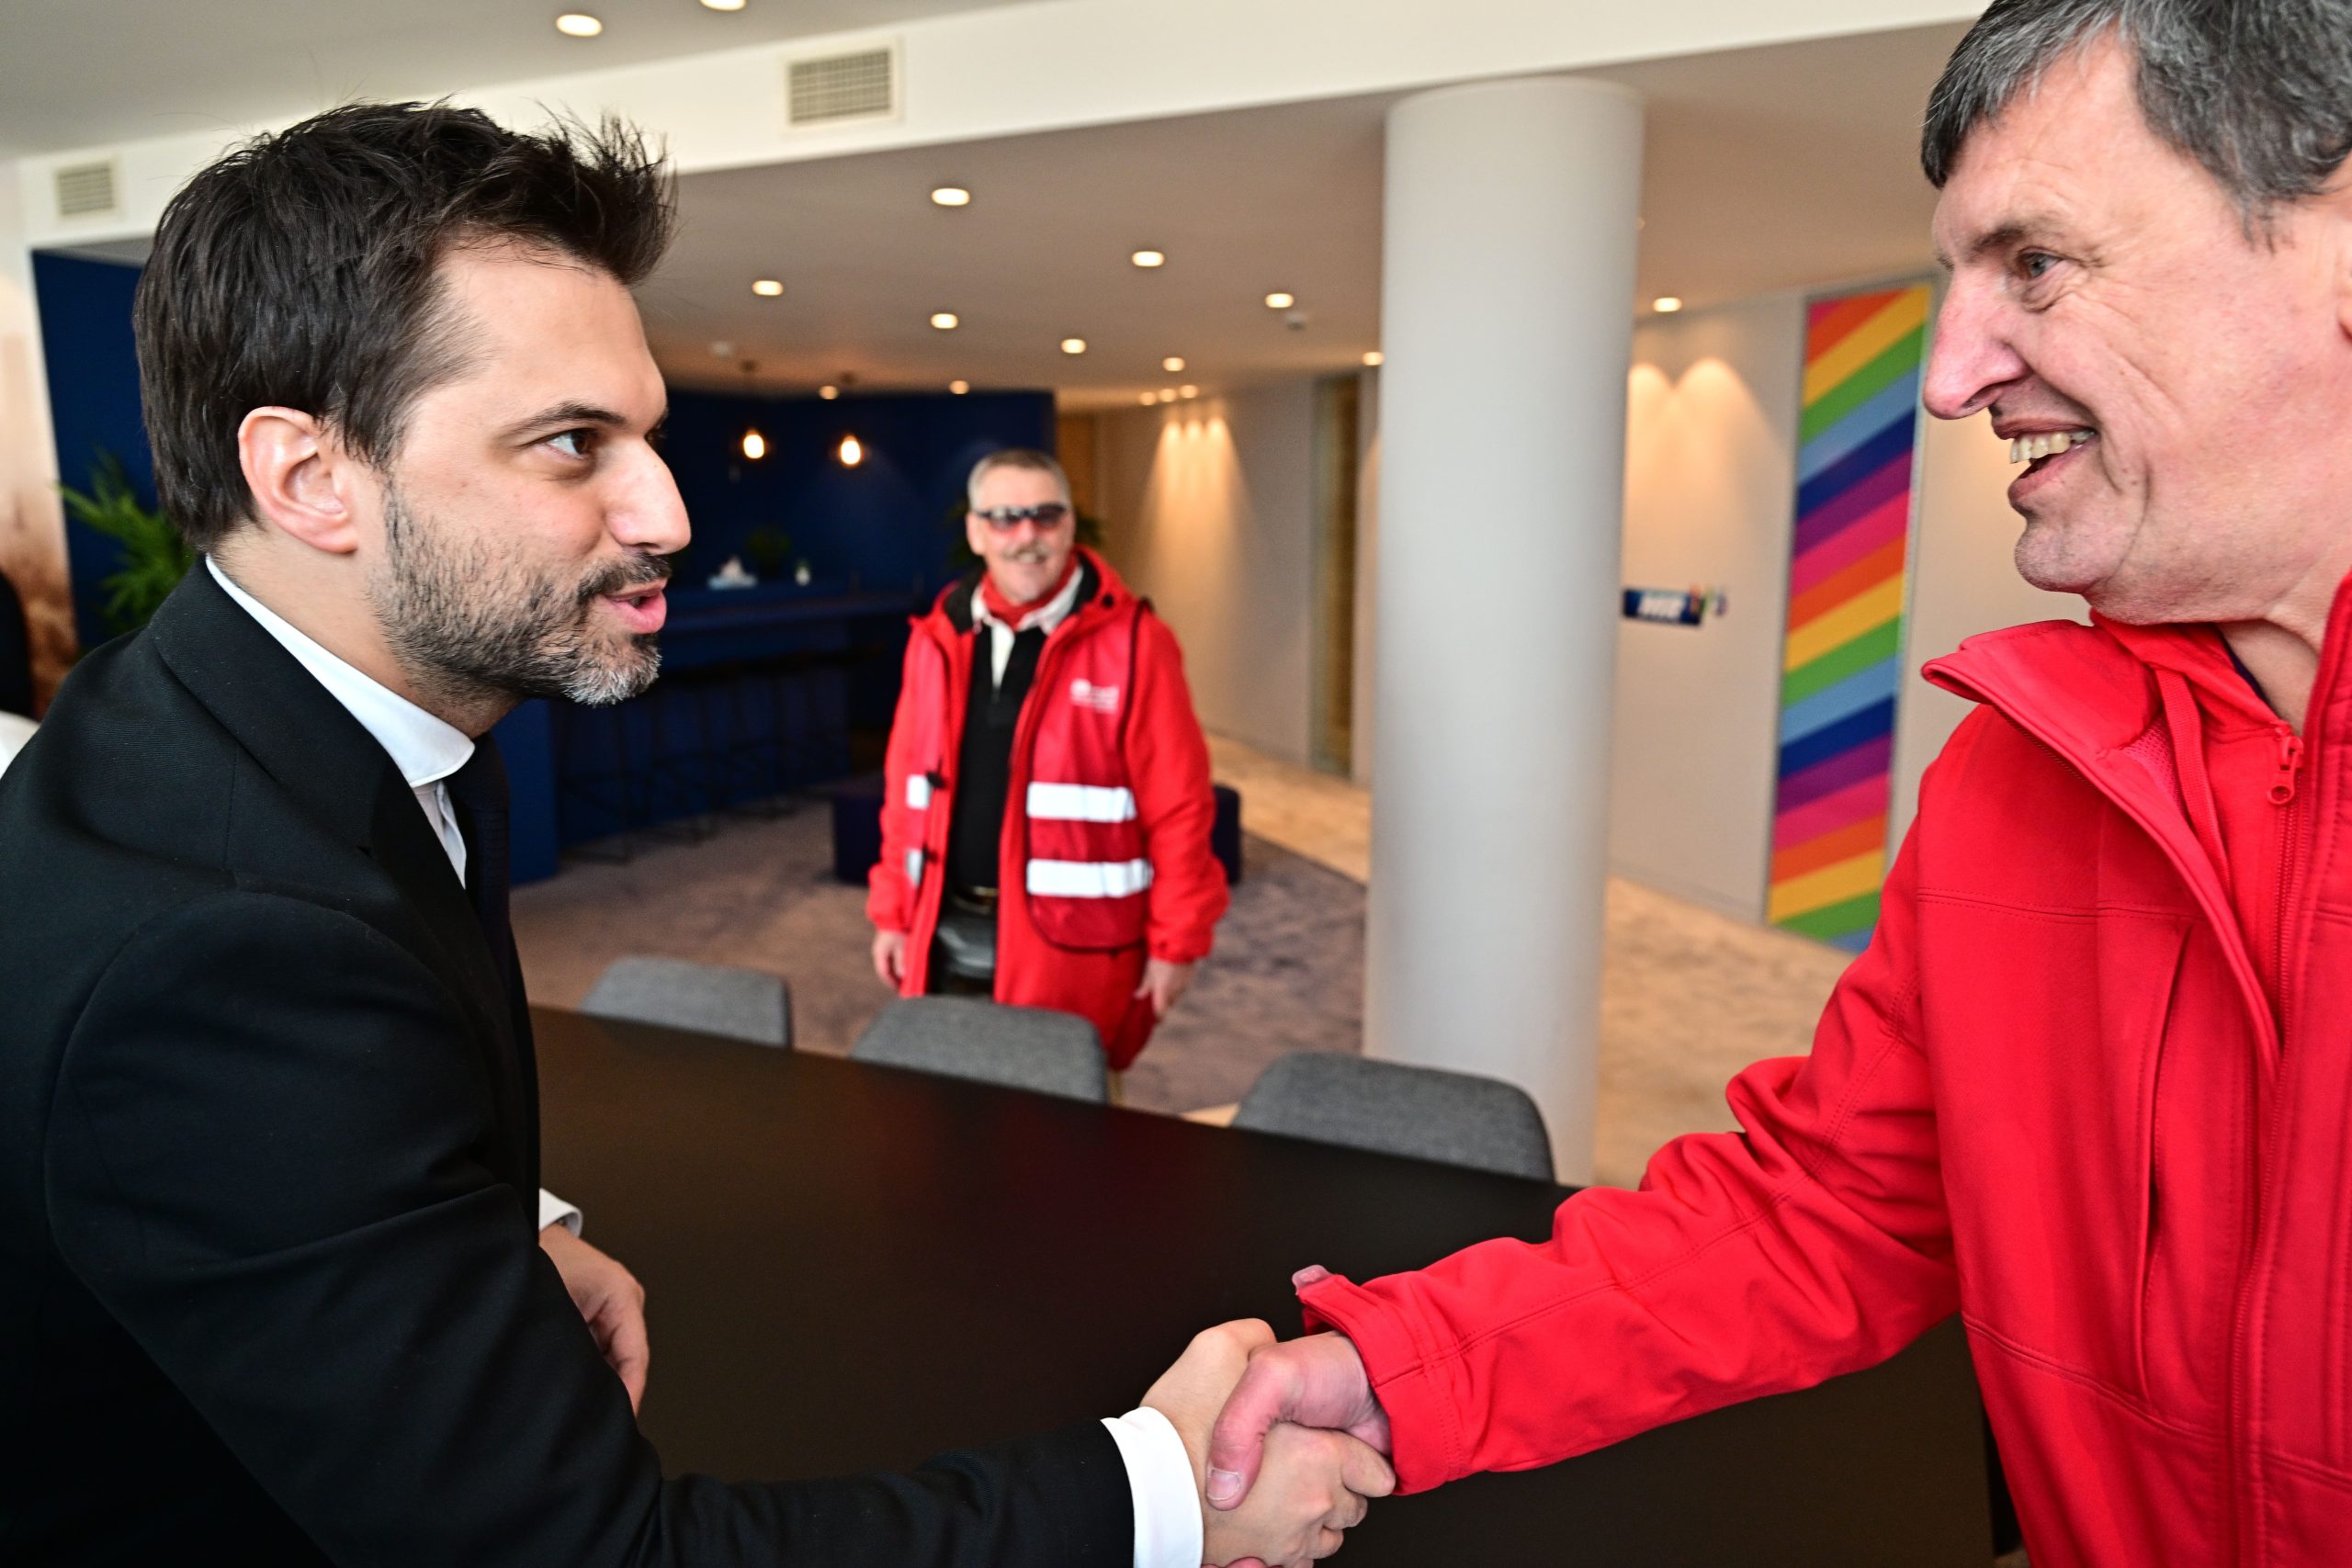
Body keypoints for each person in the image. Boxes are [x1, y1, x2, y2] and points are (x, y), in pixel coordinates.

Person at [0, 103, 1390, 1566]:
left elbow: (255, 1157)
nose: (663, 507)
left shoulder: (220, 725)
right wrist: (1165, 1493)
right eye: (569, 443)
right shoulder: (223, 944)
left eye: (644, 435)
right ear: (309, 478)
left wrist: (500, 1228)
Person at [1202, 3, 2352, 1564]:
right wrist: (1401, 1366)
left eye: (2036, 264)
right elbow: (1826, 1211)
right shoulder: (2012, 782)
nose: (1952, 377)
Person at [868, 450, 1228, 1084]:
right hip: (945, 931)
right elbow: (906, 792)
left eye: (1044, 515)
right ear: (977, 532)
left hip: (1073, 953)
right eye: (1005, 518)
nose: (1026, 535)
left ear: (1069, 526)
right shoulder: (936, 637)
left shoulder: (1137, 643)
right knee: (946, 1130)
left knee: (1065, 1149)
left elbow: (1181, 807)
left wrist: (1179, 940)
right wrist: (895, 912)